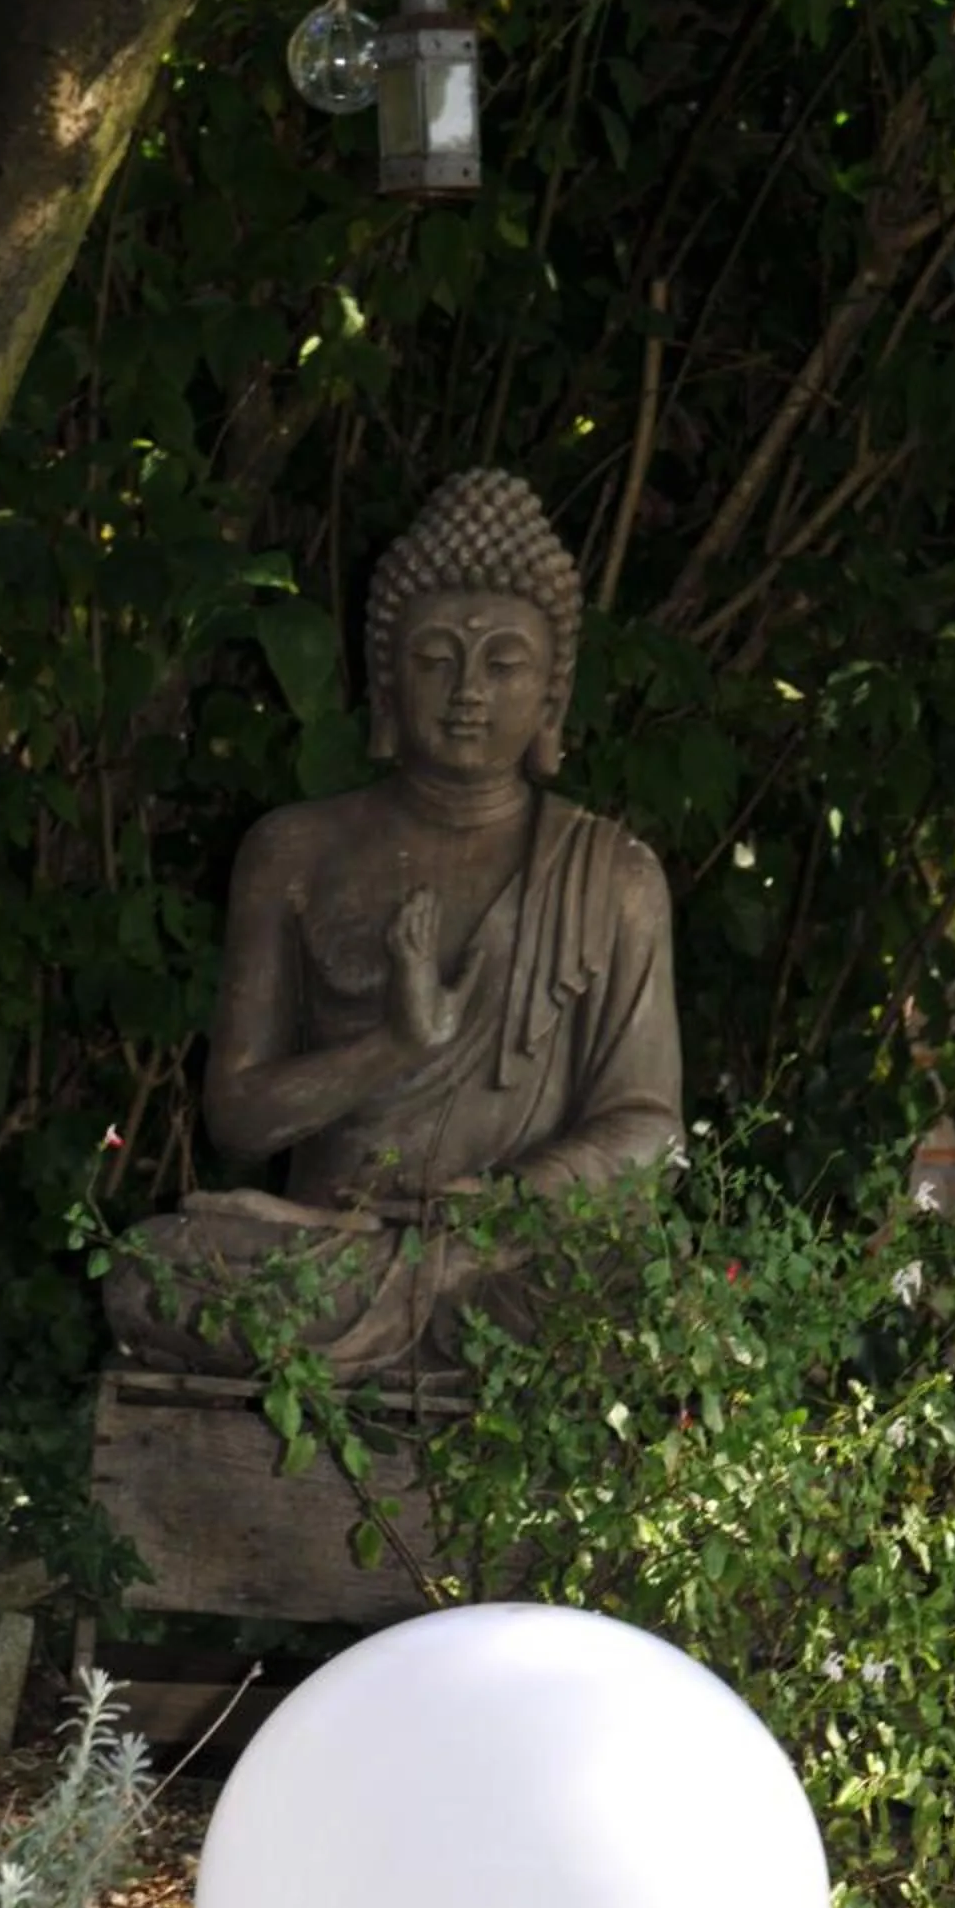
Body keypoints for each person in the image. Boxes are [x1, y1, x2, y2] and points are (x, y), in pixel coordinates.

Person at [104, 468, 683, 1382]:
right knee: (150, 1272)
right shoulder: (294, 850)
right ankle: (428, 1337)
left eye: (504, 665)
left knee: (634, 1295)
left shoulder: (613, 874)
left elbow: (648, 1128)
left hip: (507, 1259)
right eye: (436, 658)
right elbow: (241, 1120)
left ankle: (422, 1329)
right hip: (326, 1252)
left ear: (551, 700)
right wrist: (397, 1044)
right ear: (385, 677)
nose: (467, 691)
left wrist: (504, 1206)